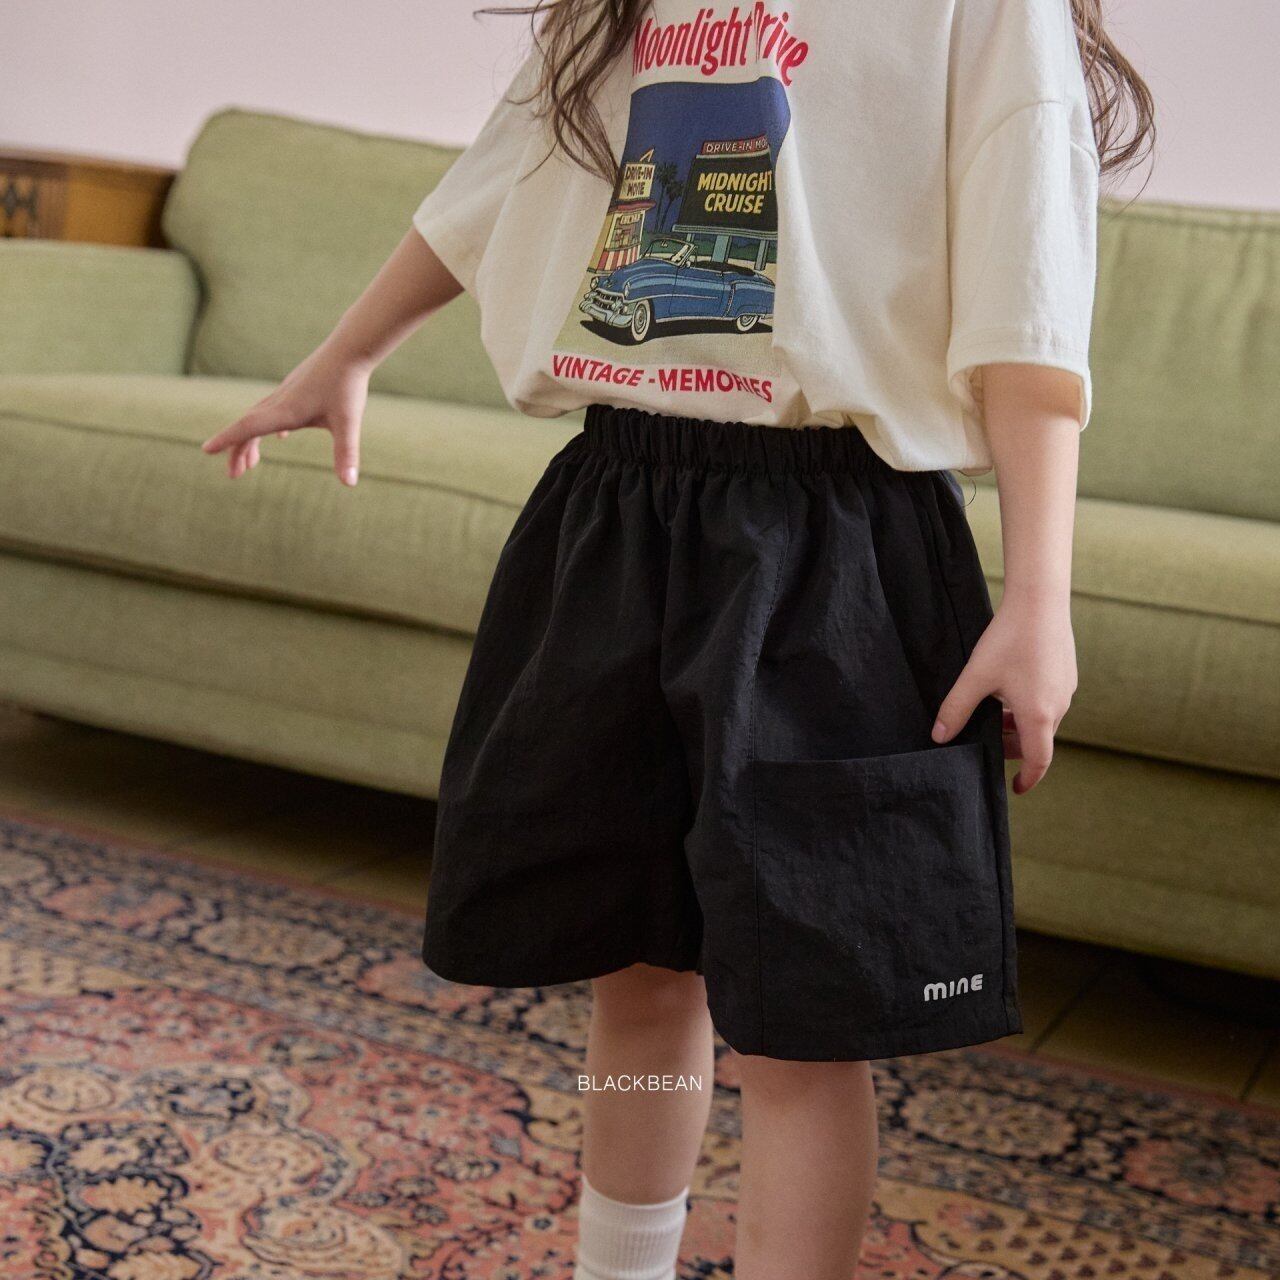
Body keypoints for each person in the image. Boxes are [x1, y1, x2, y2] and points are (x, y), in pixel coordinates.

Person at [202, 1, 1154, 1275]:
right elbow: (494, 177)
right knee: (639, 971)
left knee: (800, 1026)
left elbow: (1024, 296)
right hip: (616, 509)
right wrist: (343, 356)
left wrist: (1039, 597)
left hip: (834, 545)